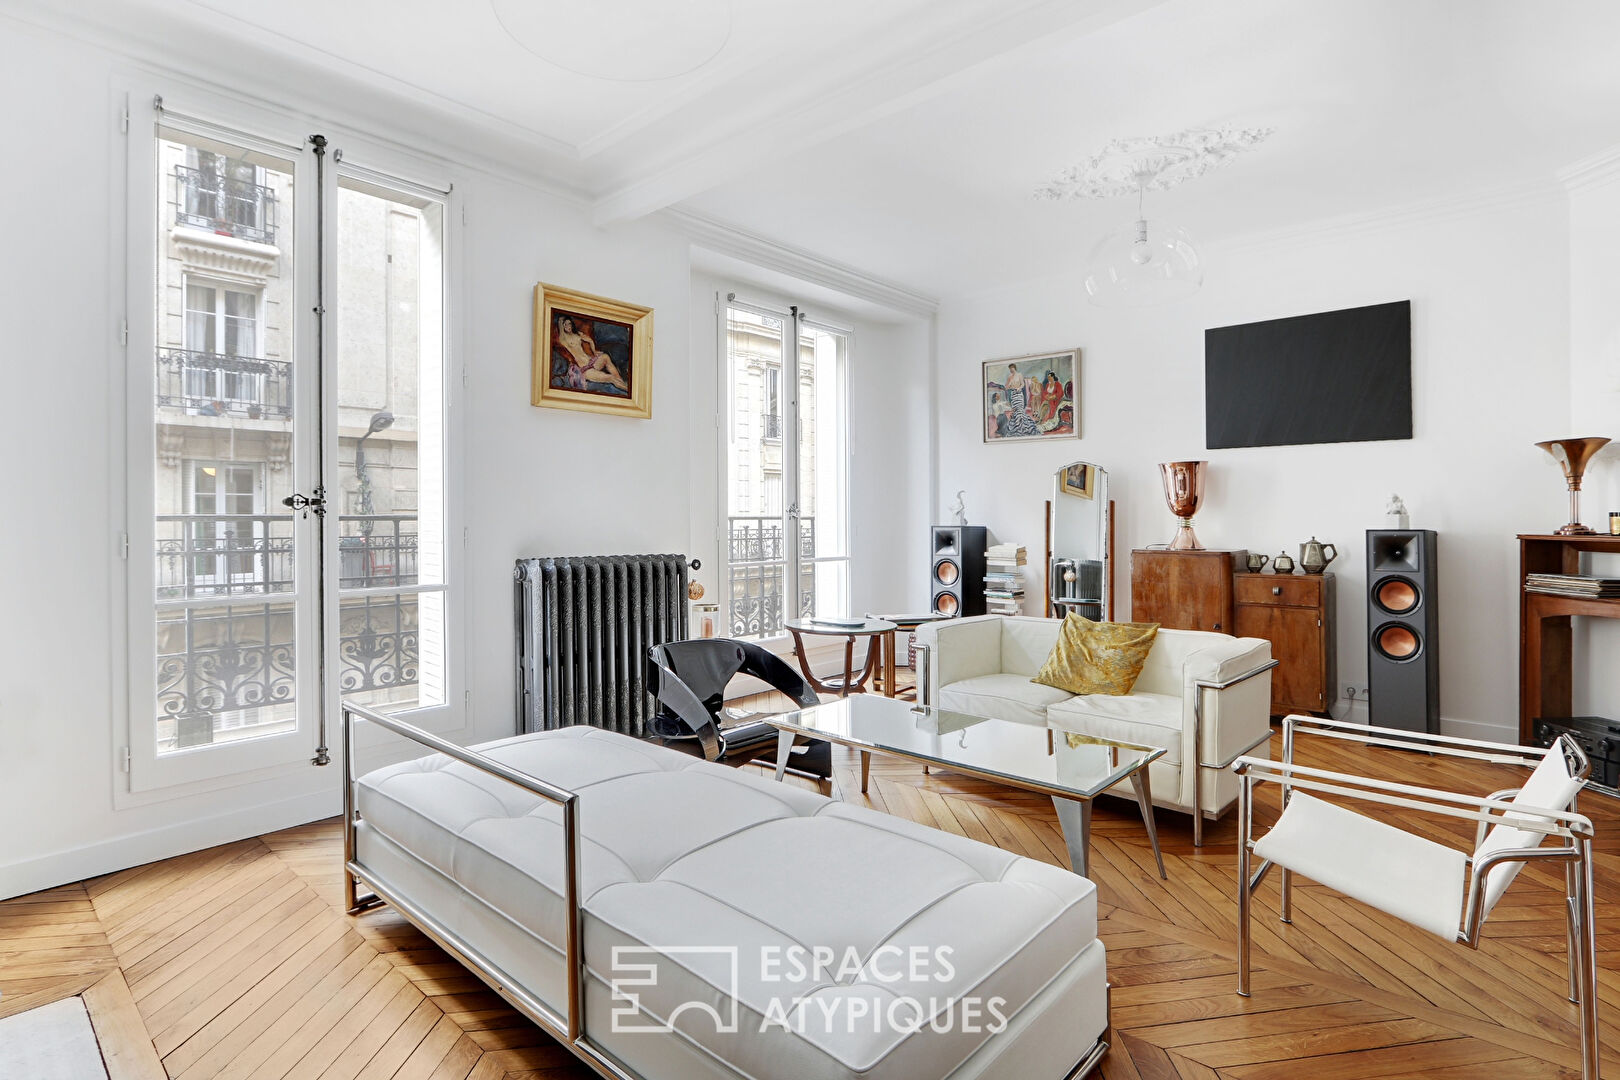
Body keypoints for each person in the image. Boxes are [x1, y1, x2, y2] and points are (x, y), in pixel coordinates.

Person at [554, 316, 628, 392]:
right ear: (562, 327)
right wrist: (560, 321)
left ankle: (621, 382)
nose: (568, 326)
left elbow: (590, 341)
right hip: (585, 370)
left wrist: (594, 351)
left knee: (605, 357)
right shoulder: (564, 339)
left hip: (591, 362)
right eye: (565, 325)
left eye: (569, 324)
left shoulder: (577, 335)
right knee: (611, 378)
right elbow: (561, 328)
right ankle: (628, 390)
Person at [999, 363, 1041, 437]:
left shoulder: (1019, 375)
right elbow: (1006, 386)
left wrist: (1019, 388)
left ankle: (1023, 426)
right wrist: (1009, 386)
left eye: (1012, 369)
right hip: (1013, 395)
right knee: (1015, 411)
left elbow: (1022, 384)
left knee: (1020, 410)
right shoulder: (1010, 377)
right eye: (1010, 369)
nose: (1011, 370)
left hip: (1019, 394)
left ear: (1014, 368)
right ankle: (1016, 426)